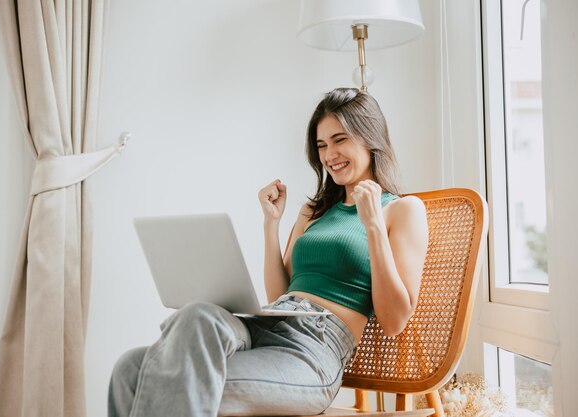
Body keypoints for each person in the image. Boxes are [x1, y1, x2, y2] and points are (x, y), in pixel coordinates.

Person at [108, 88, 429, 417]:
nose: (330, 154)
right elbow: (280, 294)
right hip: (266, 325)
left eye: (339, 139)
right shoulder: (313, 210)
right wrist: (271, 224)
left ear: (370, 137)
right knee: (137, 360)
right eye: (321, 145)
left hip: (314, 350)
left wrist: (373, 225)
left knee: (159, 380)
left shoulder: (402, 210)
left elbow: (393, 321)